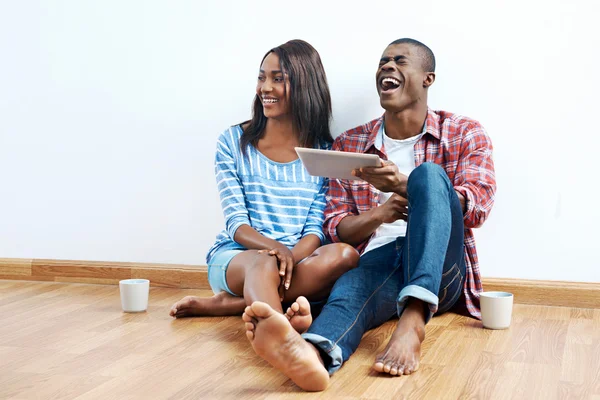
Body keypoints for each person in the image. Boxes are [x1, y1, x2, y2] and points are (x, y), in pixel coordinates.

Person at [241, 38, 496, 392]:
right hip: (381, 259)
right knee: (350, 288)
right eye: (383, 61)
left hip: (443, 269)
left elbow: (477, 205)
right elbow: (337, 229)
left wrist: (406, 185)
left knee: (429, 175)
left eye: (400, 61)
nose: (387, 67)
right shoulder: (351, 144)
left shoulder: (464, 132)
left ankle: (413, 320)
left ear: (428, 78)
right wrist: (382, 213)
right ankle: (313, 356)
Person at [169, 39, 359, 332]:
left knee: (346, 255)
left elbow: (314, 229)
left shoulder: (323, 152)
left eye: (277, 79)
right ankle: (280, 336)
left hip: (296, 261)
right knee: (263, 264)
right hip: (238, 258)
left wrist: (288, 258)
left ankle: (235, 304)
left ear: (306, 85)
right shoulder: (232, 142)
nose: (264, 88)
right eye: (262, 77)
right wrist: (274, 251)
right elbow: (236, 224)